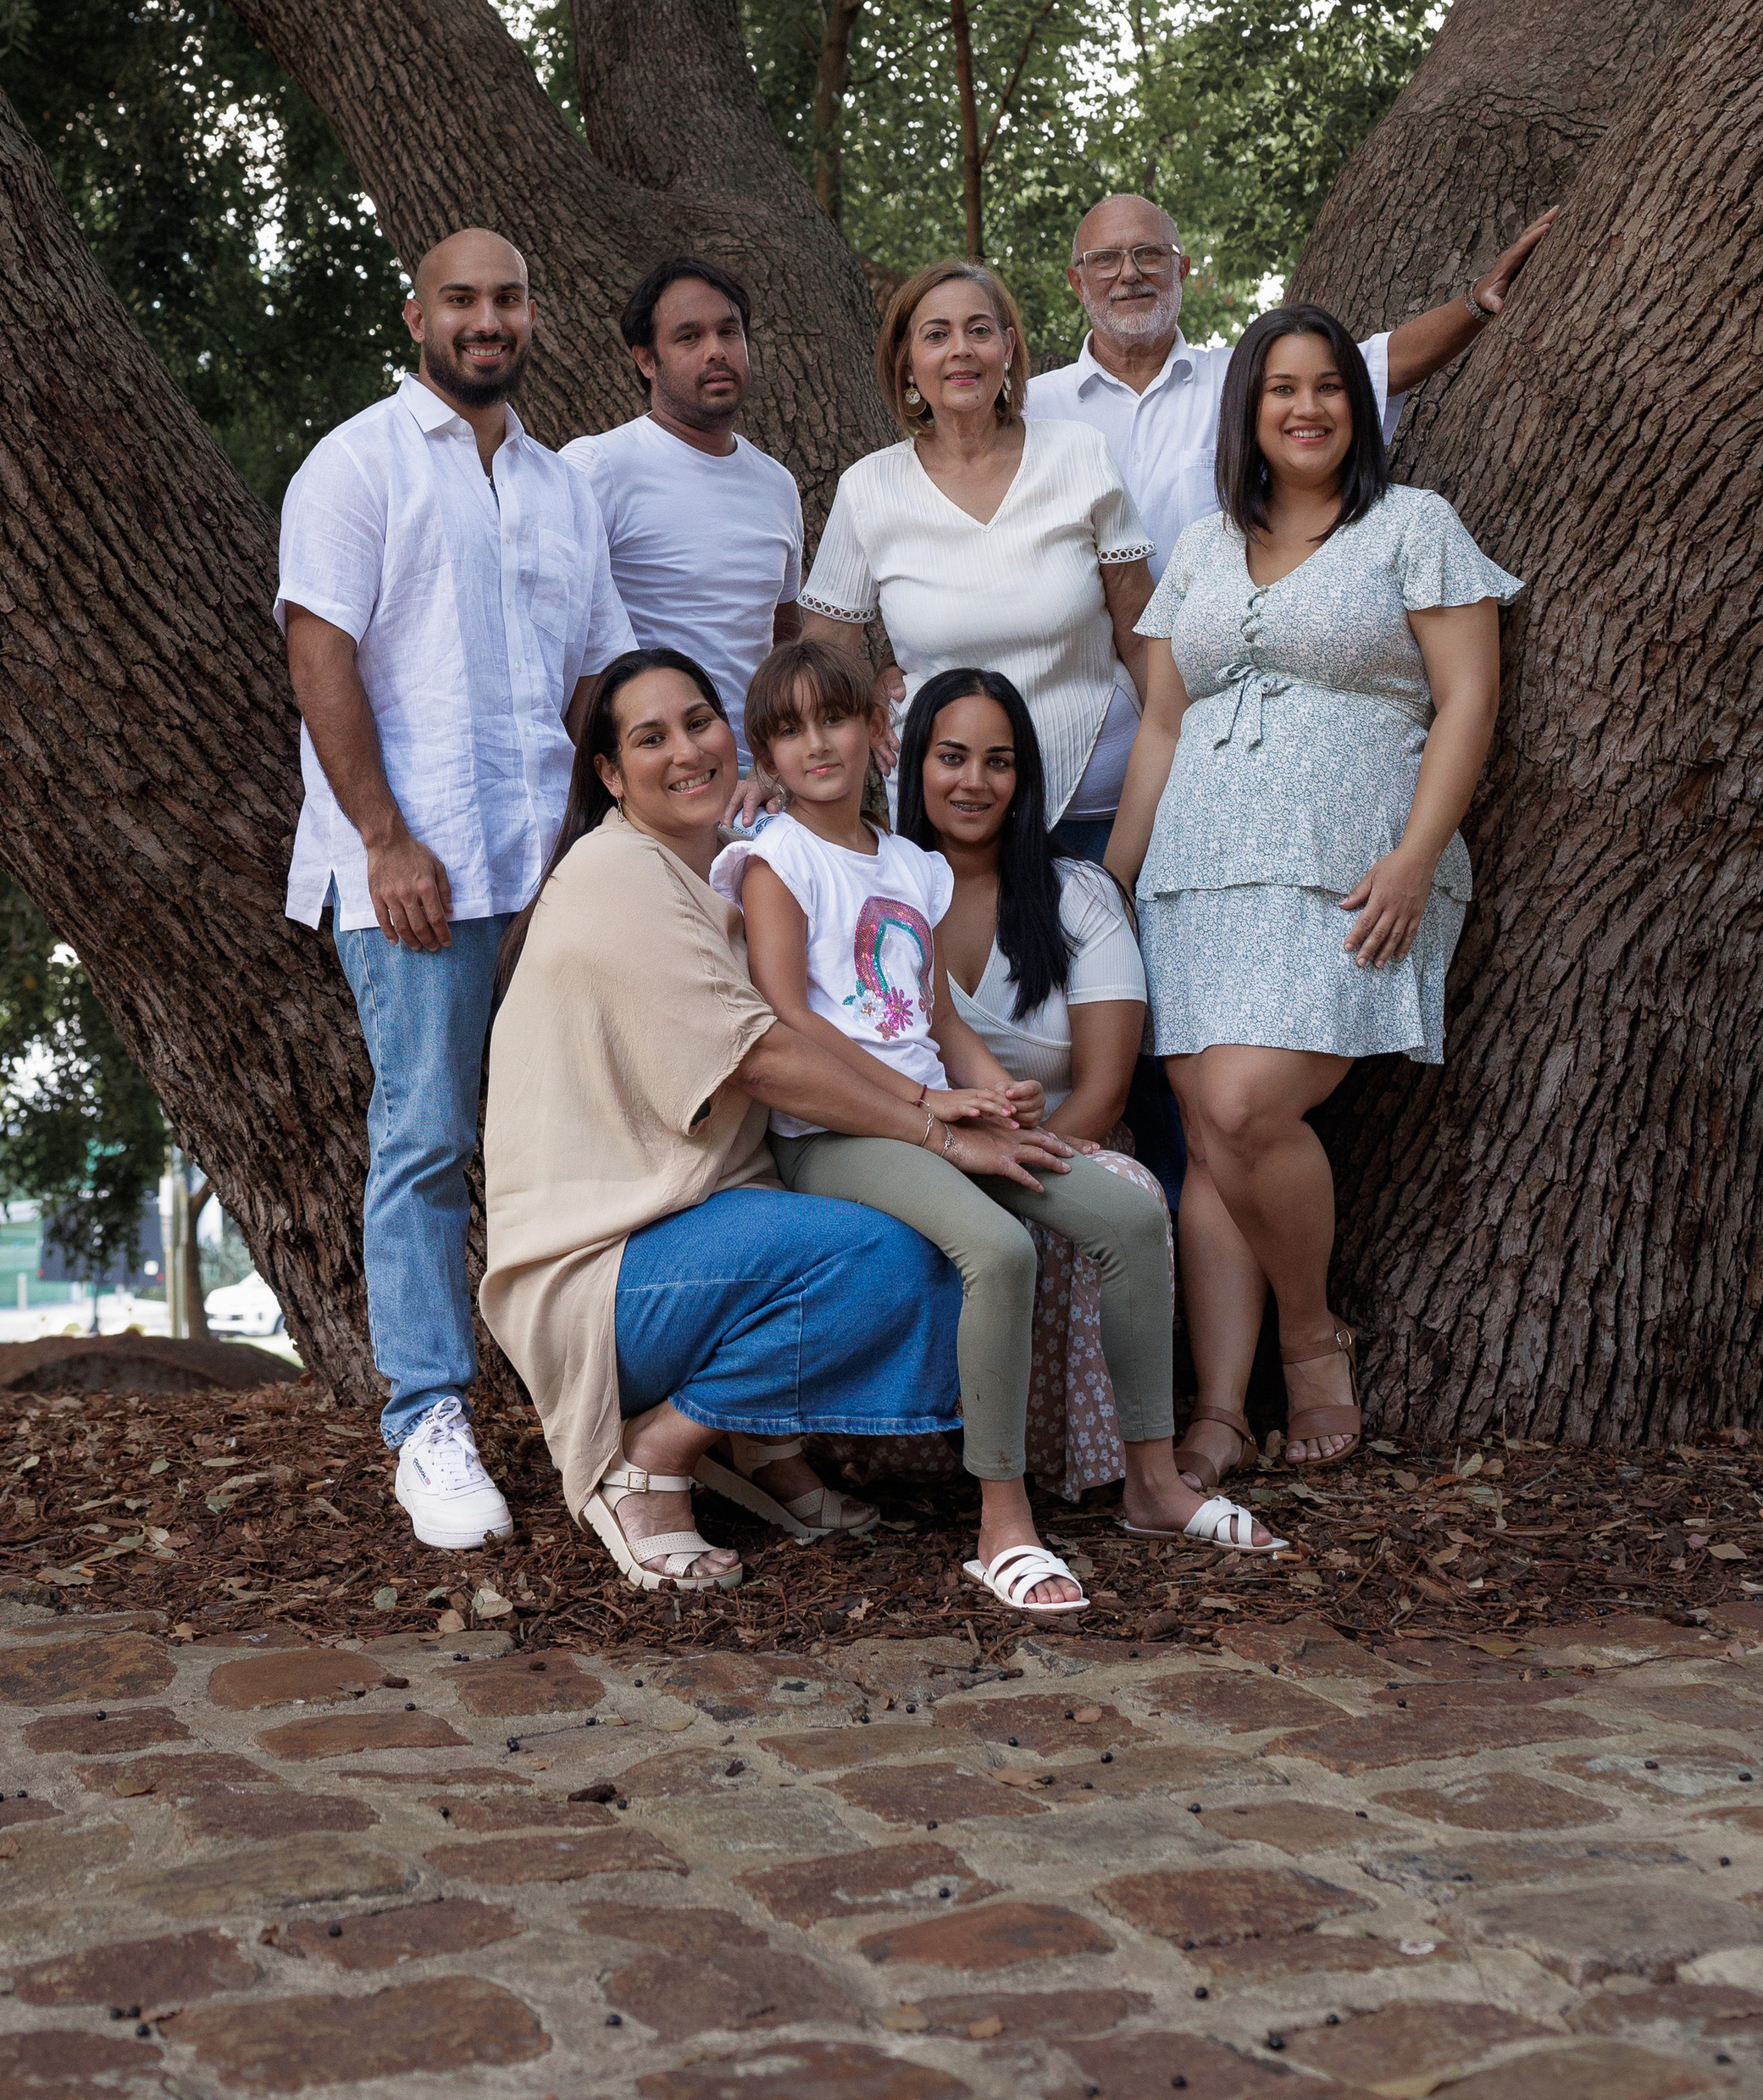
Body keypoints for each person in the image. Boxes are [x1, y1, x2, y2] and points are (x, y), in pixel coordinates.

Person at [717, 635, 1280, 1619]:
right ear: (765, 757)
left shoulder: (906, 867)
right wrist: (923, 1106)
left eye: (835, 719)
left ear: (876, 734)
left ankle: (1152, 1482)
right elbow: (790, 1021)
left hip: (936, 1117)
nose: (816, 745)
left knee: (1124, 1210)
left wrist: (993, 1095)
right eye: (789, 731)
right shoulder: (777, 860)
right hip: (837, 1136)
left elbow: (932, 1018)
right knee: (999, 1247)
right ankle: (1002, 1523)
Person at [1106, 304, 1520, 1477]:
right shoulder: (1196, 548)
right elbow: (1161, 730)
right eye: (1281, 387)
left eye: (1330, 386)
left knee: (1243, 1105)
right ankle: (1224, 1409)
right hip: (1194, 876)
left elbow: (1469, 705)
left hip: (1350, 869)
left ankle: (1312, 1339)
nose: (1307, 407)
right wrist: (1112, 891)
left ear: (1360, 405)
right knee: (1208, 1128)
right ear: (1247, 412)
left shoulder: (1413, 528)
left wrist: (1413, 854)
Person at [480, 649, 990, 1593]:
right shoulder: (614, 874)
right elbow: (765, 1057)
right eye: (650, 737)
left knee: (880, 1220)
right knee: (894, 1252)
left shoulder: (707, 877)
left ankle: (759, 1445)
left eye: (699, 721)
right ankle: (652, 1457)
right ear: (607, 775)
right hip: (601, 1274)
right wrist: (933, 1126)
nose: (687, 750)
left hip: (681, 1241)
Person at [279, 230, 634, 1554]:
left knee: (574, 1140)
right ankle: (426, 1422)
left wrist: (582, 852)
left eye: (510, 298)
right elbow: (323, 655)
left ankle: (598, 1410)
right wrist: (383, 837)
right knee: (427, 1139)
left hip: (542, 873)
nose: (489, 320)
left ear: (533, 315)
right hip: (413, 874)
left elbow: (592, 677)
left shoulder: (559, 487)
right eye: (464, 301)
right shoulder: (356, 463)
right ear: (418, 314)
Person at [1028, 195, 1553, 852]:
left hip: (1218, 738)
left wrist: (1476, 304)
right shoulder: (1028, 409)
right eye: (1104, 259)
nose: (1127, 273)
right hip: (1071, 750)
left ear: (1183, 268)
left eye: (1148, 254)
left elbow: (1373, 370)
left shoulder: (1246, 383)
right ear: (1076, 281)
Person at [898, 667, 1170, 1501]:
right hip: (922, 1153)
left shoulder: (1077, 894)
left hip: (1065, 1146)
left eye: (998, 761)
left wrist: (1022, 1154)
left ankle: (1090, 1463)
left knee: (1121, 1187)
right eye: (951, 757)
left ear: (1024, 780)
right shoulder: (881, 891)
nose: (973, 782)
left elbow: (1105, 1090)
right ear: (914, 768)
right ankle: (915, 1456)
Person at [798, 262, 1154, 839]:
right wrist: (866, 703)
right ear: (907, 360)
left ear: (1008, 349)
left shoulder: (1080, 454)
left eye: (980, 330)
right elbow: (819, 656)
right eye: (936, 335)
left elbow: (1140, 635)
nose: (960, 350)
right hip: (947, 817)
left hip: (1102, 810)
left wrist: (1183, 762)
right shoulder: (869, 489)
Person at [562, 258, 804, 761]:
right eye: (689, 337)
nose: (717, 351)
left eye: (729, 332)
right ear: (646, 360)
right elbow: (547, 635)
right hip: (642, 785)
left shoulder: (777, 484)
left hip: (753, 790)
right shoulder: (597, 467)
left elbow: (783, 635)